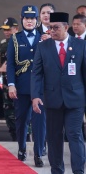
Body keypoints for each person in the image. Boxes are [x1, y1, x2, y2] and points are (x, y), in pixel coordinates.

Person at [31, 12, 86, 174]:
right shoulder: (43, 47)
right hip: (52, 99)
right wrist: (35, 96)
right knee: (54, 137)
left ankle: (78, 171)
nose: (52, 31)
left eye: (56, 28)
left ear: (66, 27)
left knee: (75, 135)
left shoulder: (80, 45)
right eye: (50, 28)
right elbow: (37, 73)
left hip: (75, 99)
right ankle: (57, 170)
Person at [6, 5, 46, 167]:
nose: (29, 21)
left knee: (39, 122)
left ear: (37, 21)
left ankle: (38, 153)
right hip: (21, 87)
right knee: (21, 121)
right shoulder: (15, 39)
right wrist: (11, 85)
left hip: (40, 88)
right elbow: (10, 64)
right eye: (26, 18)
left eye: (32, 18)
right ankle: (22, 148)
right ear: (22, 19)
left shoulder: (44, 38)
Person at [0, 17, 19, 141]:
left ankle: (26, 140)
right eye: (5, 30)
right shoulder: (3, 45)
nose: (7, 32)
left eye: (9, 29)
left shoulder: (22, 42)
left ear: (16, 29)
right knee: (9, 114)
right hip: (7, 86)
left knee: (22, 113)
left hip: (21, 85)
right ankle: (15, 138)